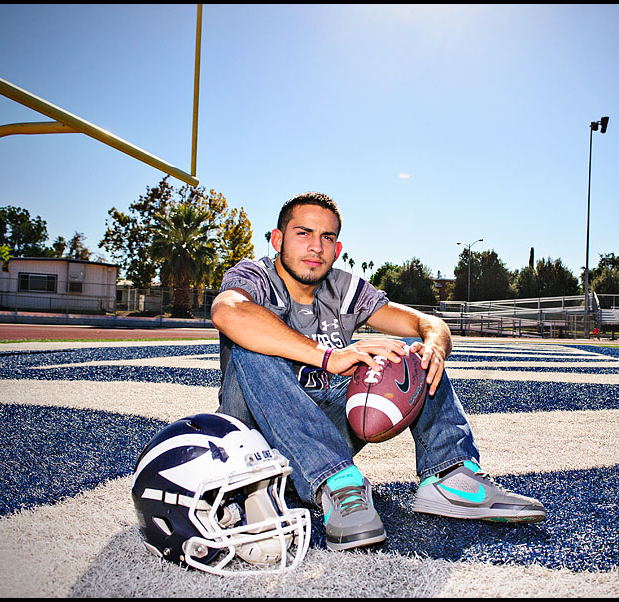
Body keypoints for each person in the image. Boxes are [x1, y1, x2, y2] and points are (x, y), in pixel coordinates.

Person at [211, 192, 546, 552]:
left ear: (336, 249)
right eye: (303, 233)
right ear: (278, 240)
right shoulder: (255, 276)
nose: (315, 247)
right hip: (258, 439)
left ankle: (448, 475)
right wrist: (329, 357)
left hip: (325, 428)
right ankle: (336, 481)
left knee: (412, 355)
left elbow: (427, 322)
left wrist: (432, 345)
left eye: (326, 238)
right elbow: (229, 312)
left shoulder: (341, 287)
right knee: (250, 343)